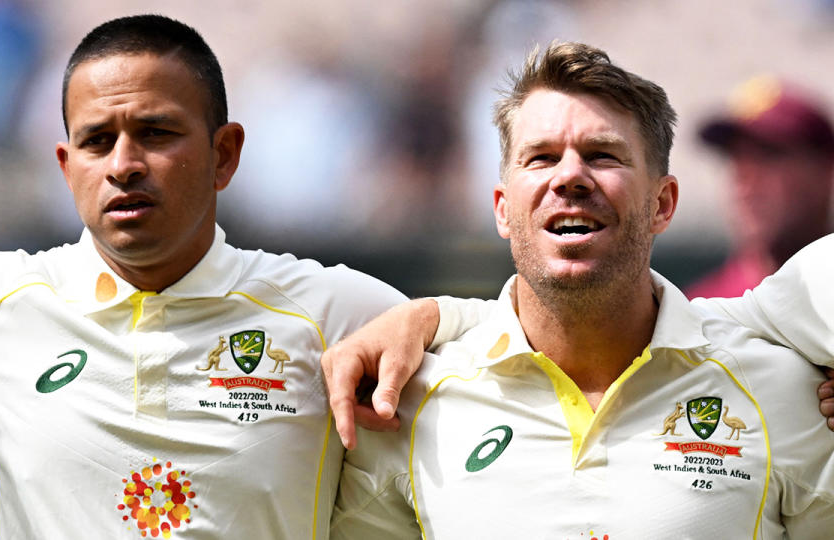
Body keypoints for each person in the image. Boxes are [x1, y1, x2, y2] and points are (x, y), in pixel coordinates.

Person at [0, 15, 406, 539]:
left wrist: (440, 315)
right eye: (97, 141)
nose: (123, 164)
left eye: (155, 133)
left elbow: (484, 369)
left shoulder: (332, 312)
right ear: (66, 166)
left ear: (224, 154)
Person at [327, 42, 834, 538]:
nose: (570, 175)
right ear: (503, 208)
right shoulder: (404, 404)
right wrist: (428, 315)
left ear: (663, 203)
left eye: (602, 154)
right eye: (542, 158)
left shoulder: (784, 389)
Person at [686, 75, 834, 298]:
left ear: (825, 169)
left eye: (768, 156)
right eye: (736, 159)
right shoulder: (700, 313)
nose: (747, 182)